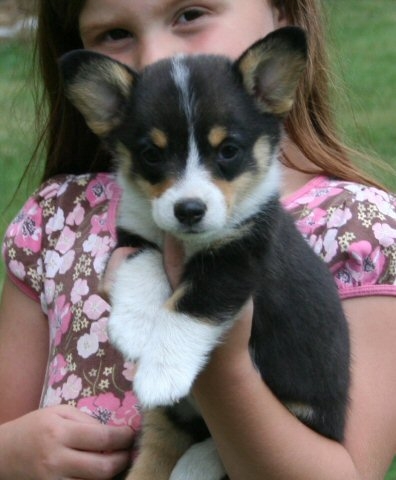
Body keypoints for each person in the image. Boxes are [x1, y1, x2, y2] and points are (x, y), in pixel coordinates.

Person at [0, 0, 395, 479]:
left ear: (284, 17)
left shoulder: (360, 233)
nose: (154, 55)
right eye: (115, 33)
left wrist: (216, 364)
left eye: (189, 14)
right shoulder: (56, 220)